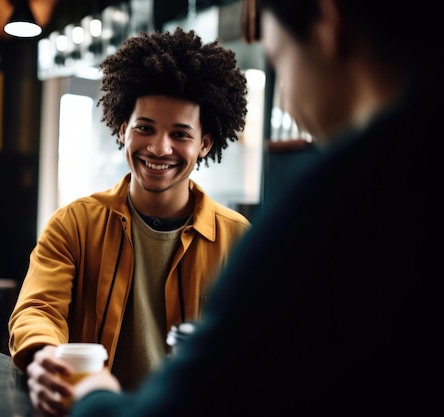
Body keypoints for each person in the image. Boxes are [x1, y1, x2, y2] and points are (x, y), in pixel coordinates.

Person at [67, 0, 439, 416]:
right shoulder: (76, 220)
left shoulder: (331, 207)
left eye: (279, 59)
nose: (285, 95)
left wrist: (92, 396)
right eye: (146, 128)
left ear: (328, 23)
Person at [8, 27, 251, 416]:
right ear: (123, 129)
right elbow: (38, 309)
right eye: (145, 128)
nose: (159, 148)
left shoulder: (238, 239)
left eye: (180, 134)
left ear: (204, 143)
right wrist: (44, 358)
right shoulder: (73, 224)